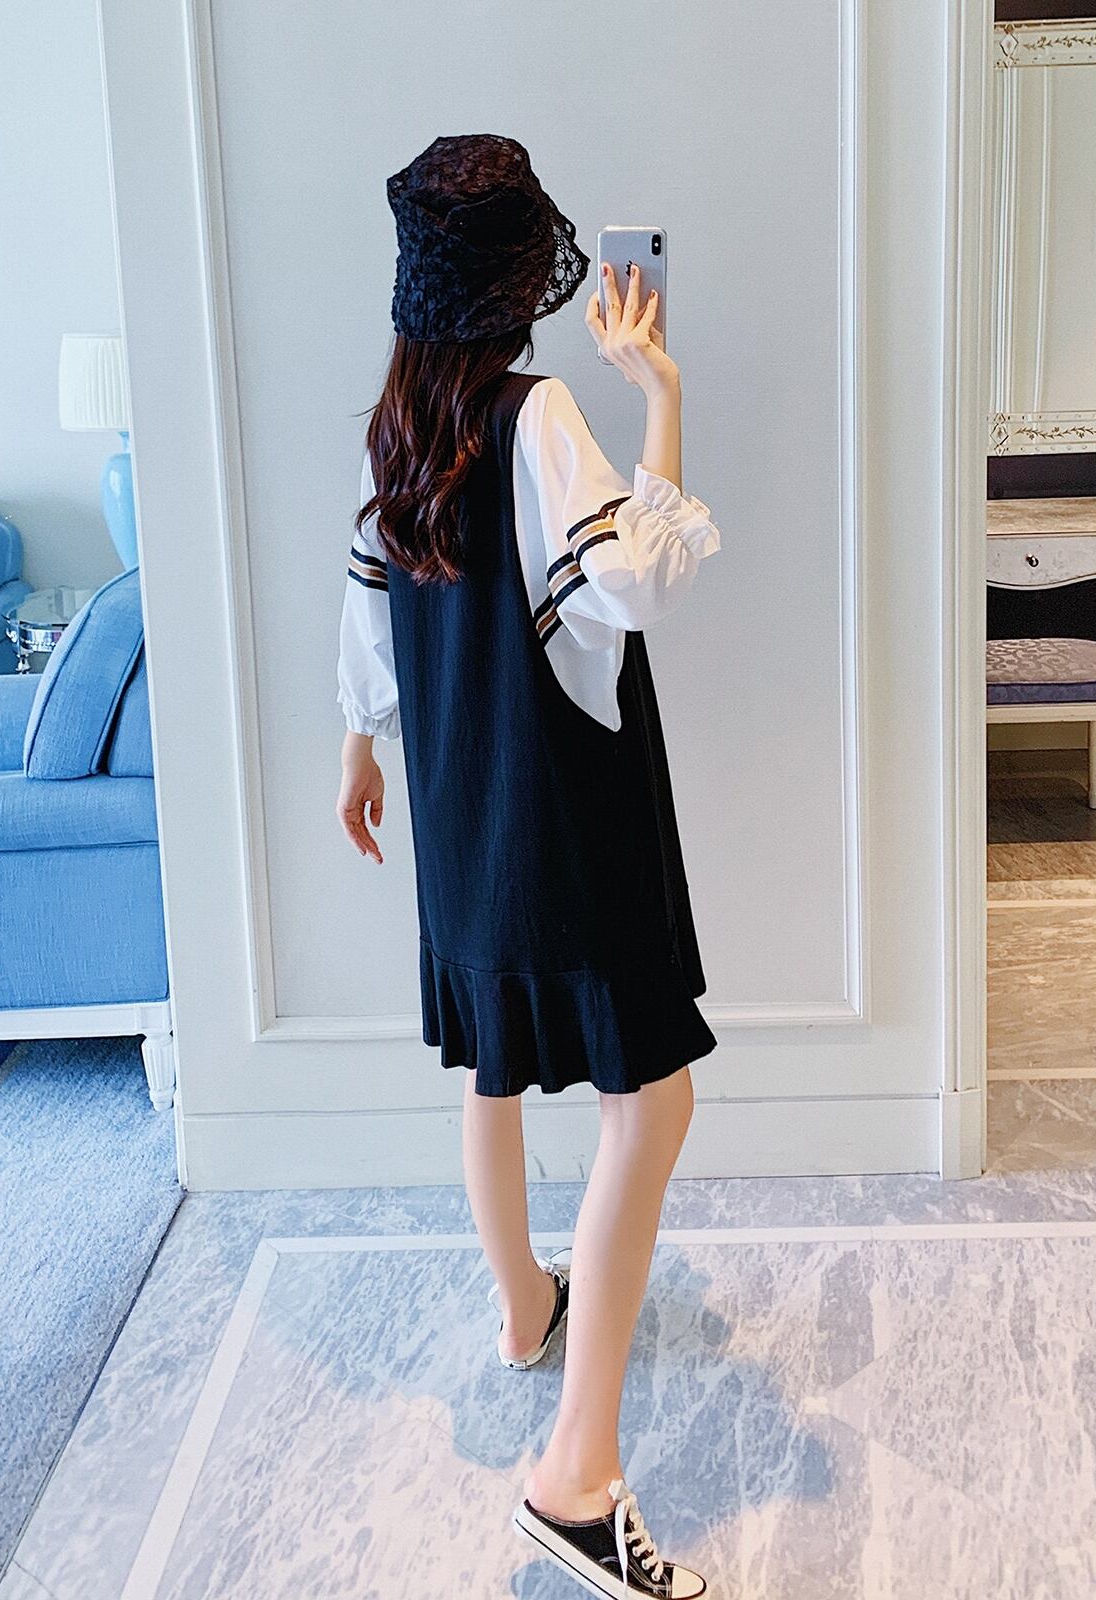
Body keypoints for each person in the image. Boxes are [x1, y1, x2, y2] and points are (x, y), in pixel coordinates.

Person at [335, 133, 720, 1599]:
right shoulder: (537, 410)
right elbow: (633, 583)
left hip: (460, 814)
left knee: (492, 1062)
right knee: (651, 1099)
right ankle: (576, 1476)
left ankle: (521, 1310)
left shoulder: (397, 423)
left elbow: (366, 609)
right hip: (565, 808)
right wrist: (662, 395)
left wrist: (360, 750)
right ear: (518, 280)